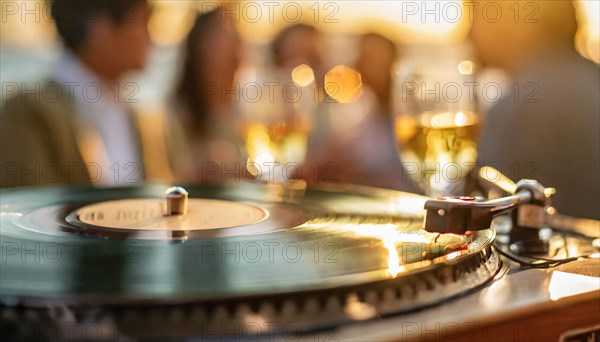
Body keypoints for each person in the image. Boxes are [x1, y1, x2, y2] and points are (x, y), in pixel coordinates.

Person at [1, 0, 151, 188]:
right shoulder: (27, 112)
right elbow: (30, 210)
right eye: (143, 23)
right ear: (99, 29)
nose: (150, 38)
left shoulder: (138, 114)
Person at [471, 0, 600, 219]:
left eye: (476, 12)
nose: (470, 33)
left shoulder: (517, 109)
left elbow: (498, 218)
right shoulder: (592, 79)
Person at [165, 8, 244, 182]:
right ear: (199, 48)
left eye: (235, 40)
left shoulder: (245, 109)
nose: (235, 49)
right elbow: (167, 174)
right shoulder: (173, 113)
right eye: (224, 39)